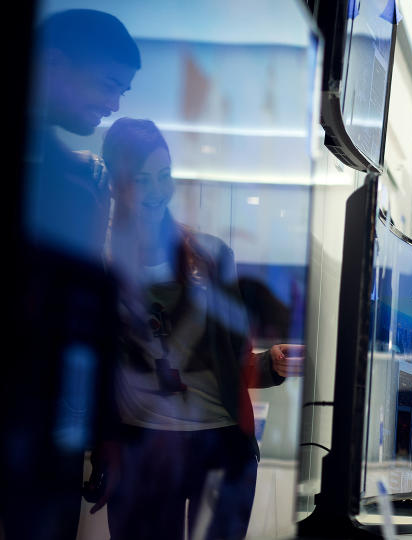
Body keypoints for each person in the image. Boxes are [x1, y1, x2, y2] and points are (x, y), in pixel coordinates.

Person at [96, 118, 302, 540]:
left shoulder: (211, 255)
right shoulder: (98, 261)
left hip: (221, 446)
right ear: (117, 185)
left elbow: (236, 359)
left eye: (164, 176)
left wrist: (272, 365)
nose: (156, 192)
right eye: (141, 180)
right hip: (143, 450)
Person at [2, 10, 140, 540]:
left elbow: (84, 321)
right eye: (109, 86)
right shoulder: (76, 177)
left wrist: (101, 431)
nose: (113, 106)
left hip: (44, 428)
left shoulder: (83, 176)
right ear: (55, 64)